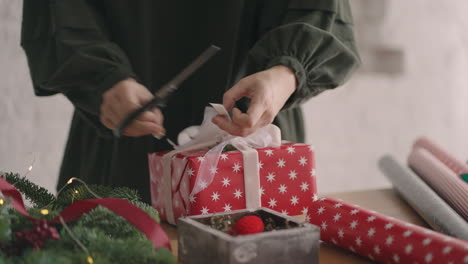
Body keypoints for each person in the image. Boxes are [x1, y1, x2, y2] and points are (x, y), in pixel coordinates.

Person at [21, 0, 360, 202]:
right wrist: (101, 78)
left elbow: (323, 10)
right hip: (121, 140)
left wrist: (285, 73)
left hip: (254, 148)